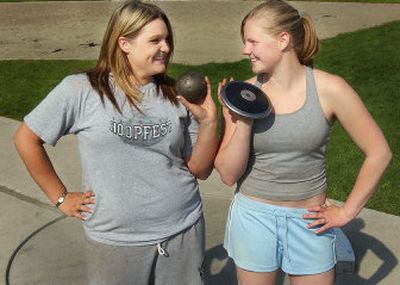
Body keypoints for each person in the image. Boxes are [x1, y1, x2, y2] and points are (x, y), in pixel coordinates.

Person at [13, 1, 218, 284]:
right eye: (155, 40)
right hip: (114, 239)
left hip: (181, 229)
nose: (166, 48)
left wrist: (208, 123)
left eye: (167, 39)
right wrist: (60, 197)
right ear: (125, 43)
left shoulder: (176, 95)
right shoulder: (82, 90)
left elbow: (200, 169)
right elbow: (26, 138)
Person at [214, 0, 392, 284]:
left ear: (283, 40)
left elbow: (379, 153)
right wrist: (243, 120)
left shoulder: (330, 89)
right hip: (254, 218)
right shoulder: (245, 94)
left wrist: (347, 212)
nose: (245, 50)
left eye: (252, 41)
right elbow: (227, 174)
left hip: (310, 221)